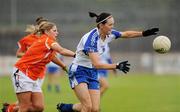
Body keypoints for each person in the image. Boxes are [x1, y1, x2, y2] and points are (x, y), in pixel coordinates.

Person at [56, 11, 159, 112]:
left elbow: (126, 34)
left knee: (95, 109)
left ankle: (67, 108)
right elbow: (97, 64)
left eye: (113, 24)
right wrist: (116, 66)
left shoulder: (109, 34)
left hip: (92, 71)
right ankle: (69, 108)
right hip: (79, 71)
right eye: (110, 25)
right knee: (87, 108)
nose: (112, 27)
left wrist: (143, 33)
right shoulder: (91, 40)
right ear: (101, 25)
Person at [11, 22, 75, 112]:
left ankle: (10, 109)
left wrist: (64, 66)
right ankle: (11, 109)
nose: (57, 33)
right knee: (24, 107)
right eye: (54, 30)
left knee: (39, 107)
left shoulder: (48, 42)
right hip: (22, 73)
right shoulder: (46, 40)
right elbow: (62, 50)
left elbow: (52, 57)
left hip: (33, 76)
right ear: (47, 31)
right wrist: (76, 55)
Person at [1, 17, 48, 112]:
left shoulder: (47, 39)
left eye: (46, 26)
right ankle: (10, 109)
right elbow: (18, 54)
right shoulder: (28, 39)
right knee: (28, 102)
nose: (44, 28)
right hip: (26, 73)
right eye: (42, 25)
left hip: (40, 73)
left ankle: (10, 108)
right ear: (38, 27)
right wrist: (30, 54)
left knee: (34, 103)